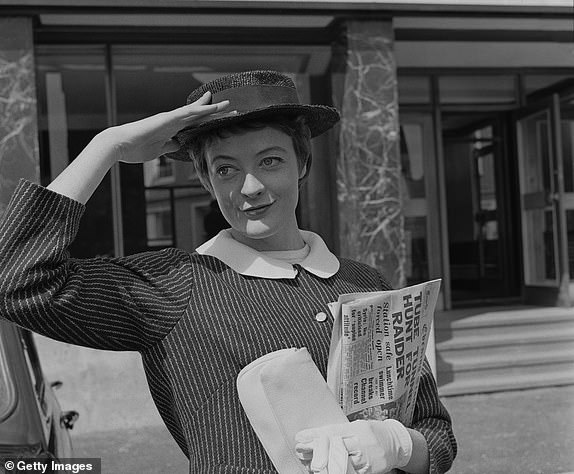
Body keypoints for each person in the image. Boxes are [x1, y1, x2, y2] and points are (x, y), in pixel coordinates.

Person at [0, 70, 456, 473]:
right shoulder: (176, 285)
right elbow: (17, 280)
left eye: (270, 160)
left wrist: (397, 445)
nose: (250, 188)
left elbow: (435, 432)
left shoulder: (366, 284)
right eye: (226, 169)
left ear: (303, 163)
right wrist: (107, 147)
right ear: (205, 180)